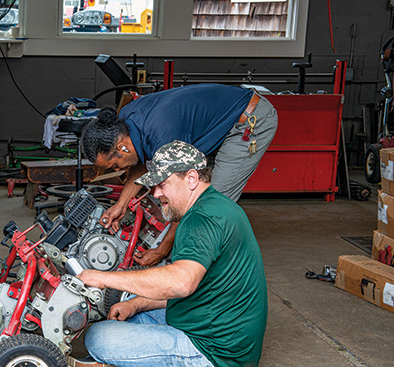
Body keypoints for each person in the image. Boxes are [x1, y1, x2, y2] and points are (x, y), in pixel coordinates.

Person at [67, 140, 267, 367]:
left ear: (191, 178)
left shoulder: (201, 220)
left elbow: (181, 283)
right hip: (219, 331)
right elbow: (201, 288)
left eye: (163, 184)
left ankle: (110, 361)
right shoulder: (219, 206)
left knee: (98, 336)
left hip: (215, 359)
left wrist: (103, 278)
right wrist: (136, 303)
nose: (156, 194)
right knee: (126, 318)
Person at [80, 83, 277, 267]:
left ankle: (196, 269)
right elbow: (141, 160)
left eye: (115, 165)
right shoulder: (126, 122)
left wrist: (162, 250)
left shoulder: (161, 136)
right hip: (219, 123)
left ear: (122, 147)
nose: (117, 170)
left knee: (211, 203)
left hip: (247, 121)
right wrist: (121, 205)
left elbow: (183, 198)